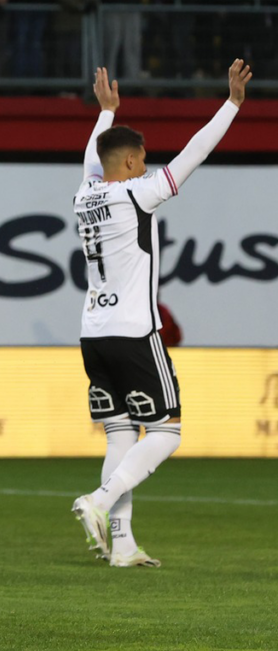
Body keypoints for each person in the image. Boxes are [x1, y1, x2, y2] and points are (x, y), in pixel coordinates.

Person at [71, 62, 252, 567]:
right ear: (130, 163)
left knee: (121, 433)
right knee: (168, 431)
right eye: (143, 160)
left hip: (92, 331)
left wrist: (106, 113)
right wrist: (232, 104)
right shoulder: (137, 192)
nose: (149, 167)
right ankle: (98, 502)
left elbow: (93, 157)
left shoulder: (85, 194)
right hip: (134, 329)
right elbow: (194, 152)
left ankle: (122, 546)